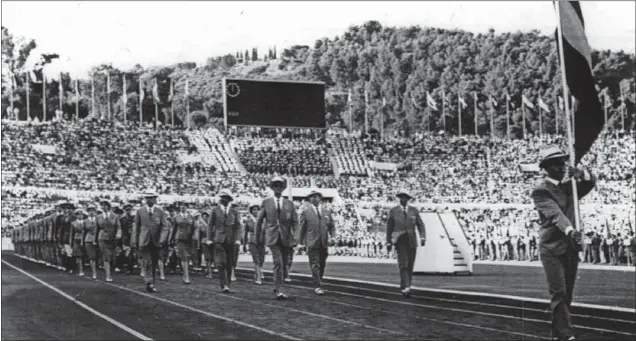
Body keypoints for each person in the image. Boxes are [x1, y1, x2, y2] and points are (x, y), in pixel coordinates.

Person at [531, 146, 596, 341]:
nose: (561, 166)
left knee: (567, 294)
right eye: (556, 163)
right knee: (558, 291)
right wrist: (571, 231)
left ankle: (557, 333)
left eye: (563, 163)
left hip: (571, 247)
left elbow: (591, 183)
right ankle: (566, 333)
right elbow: (555, 215)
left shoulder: (571, 187)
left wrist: (582, 173)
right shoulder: (540, 191)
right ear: (547, 167)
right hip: (551, 248)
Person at [255, 176, 299, 300]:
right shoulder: (266, 202)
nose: (278, 187)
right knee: (278, 262)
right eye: (275, 185)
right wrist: (257, 238)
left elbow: (295, 222)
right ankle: (278, 289)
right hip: (273, 237)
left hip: (286, 238)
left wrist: (296, 237)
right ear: (272, 187)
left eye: (280, 185)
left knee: (286, 263)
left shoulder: (289, 204)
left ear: (283, 187)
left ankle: (278, 286)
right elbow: (259, 221)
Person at [385, 189, 426, 298]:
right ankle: (406, 287)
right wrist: (388, 241)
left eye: (405, 197)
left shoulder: (414, 211)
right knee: (404, 264)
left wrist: (422, 237)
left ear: (408, 199)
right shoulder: (393, 211)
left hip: (411, 240)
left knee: (410, 266)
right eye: (401, 197)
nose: (403, 199)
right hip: (400, 240)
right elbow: (389, 227)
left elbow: (420, 224)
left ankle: (405, 286)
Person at [132, 190, 170, 293]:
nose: (150, 200)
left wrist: (162, 239)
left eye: (152, 198)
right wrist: (134, 241)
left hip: (156, 241)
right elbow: (136, 227)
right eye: (148, 198)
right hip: (144, 241)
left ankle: (151, 282)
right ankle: (149, 282)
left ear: (155, 199)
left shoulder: (160, 211)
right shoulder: (140, 211)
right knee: (147, 261)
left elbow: (165, 226)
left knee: (153, 263)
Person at [299, 189, 335, 295]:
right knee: (315, 264)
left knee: (322, 264)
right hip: (311, 242)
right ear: (309, 199)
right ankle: (318, 286)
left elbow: (332, 227)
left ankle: (317, 280)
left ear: (320, 198)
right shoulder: (306, 212)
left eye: (316, 196)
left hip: (324, 243)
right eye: (311, 196)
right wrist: (301, 242)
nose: (314, 198)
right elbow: (302, 228)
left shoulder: (327, 212)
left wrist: (333, 237)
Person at [206, 190, 241, 293]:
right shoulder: (215, 210)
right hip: (218, 239)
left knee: (230, 262)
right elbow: (210, 225)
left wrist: (238, 239)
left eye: (225, 198)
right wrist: (209, 238)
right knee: (222, 262)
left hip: (231, 240)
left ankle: (227, 283)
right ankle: (223, 283)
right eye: (222, 198)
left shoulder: (234, 211)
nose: (223, 199)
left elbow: (238, 226)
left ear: (229, 200)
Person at [171, 201, 197, 284]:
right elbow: (174, 229)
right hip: (180, 239)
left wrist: (194, 237)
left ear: (187, 207)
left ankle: (185, 274)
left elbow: (194, 228)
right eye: (181, 206)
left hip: (189, 239)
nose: (183, 207)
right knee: (184, 257)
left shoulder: (191, 217)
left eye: (185, 206)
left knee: (188, 257)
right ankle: (186, 276)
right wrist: (171, 239)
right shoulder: (176, 217)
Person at [97, 201, 121, 282]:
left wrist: (118, 234)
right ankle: (108, 275)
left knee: (112, 256)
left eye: (105, 205)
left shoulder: (115, 216)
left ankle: (110, 272)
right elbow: (97, 229)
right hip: (102, 238)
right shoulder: (99, 217)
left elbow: (118, 227)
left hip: (113, 238)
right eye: (102, 206)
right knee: (106, 256)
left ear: (108, 206)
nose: (103, 207)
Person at [244, 204, 266, 284]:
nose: (256, 211)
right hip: (253, 241)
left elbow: (265, 232)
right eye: (254, 209)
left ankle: (257, 272)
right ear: (251, 211)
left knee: (261, 259)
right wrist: (244, 245)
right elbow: (245, 233)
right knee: (256, 259)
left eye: (257, 209)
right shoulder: (249, 221)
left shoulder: (263, 220)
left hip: (262, 242)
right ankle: (258, 278)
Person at [83, 205, 99, 279]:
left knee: (99, 256)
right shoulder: (85, 221)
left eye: (93, 210)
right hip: (89, 239)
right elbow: (84, 232)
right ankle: (94, 273)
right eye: (90, 211)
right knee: (92, 257)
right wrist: (82, 241)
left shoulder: (98, 219)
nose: (91, 212)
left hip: (98, 239)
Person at [70, 208, 87, 276]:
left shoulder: (85, 222)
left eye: (81, 215)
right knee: (78, 255)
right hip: (76, 239)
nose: (80, 216)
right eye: (78, 215)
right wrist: (71, 242)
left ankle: (82, 269)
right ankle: (80, 270)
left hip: (84, 239)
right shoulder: (73, 223)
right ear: (76, 216)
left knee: (83, 256)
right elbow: (72, 233)